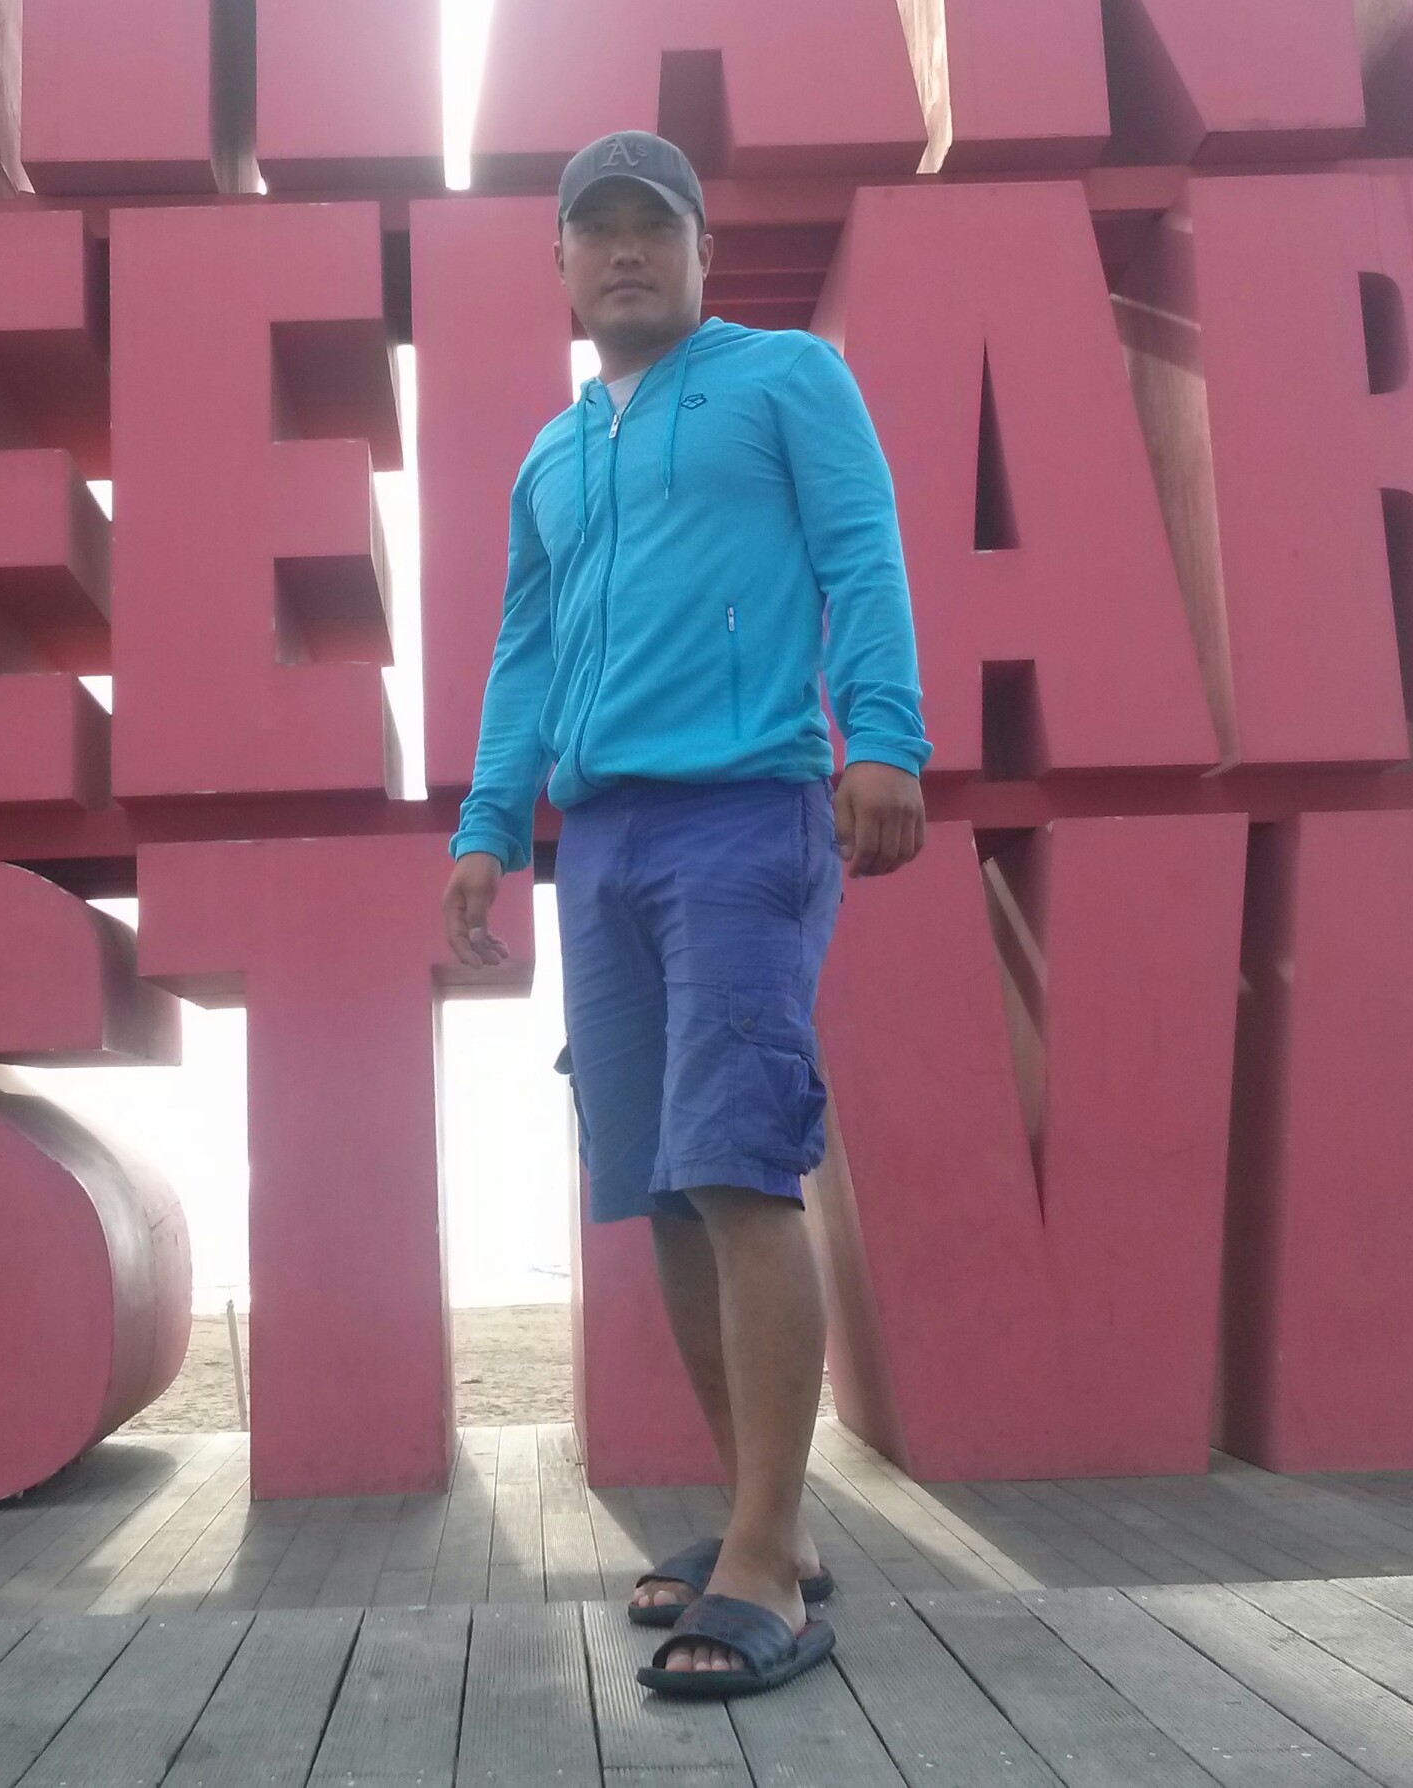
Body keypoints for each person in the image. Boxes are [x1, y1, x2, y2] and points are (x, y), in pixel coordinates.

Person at [441, 130, 927, 1701]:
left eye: (654, 227)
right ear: (563, 264)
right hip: (601, 846)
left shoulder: (786, 379)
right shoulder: (551, 454)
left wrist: (886, 737)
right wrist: (489, 827)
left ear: (703, 251)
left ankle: (768, 1557)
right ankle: (760, 1523)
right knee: (658, 1186)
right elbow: (523, 655)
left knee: (735, 1164)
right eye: (597, 232)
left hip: (746, 812)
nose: (626, 252)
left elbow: (861, 553)